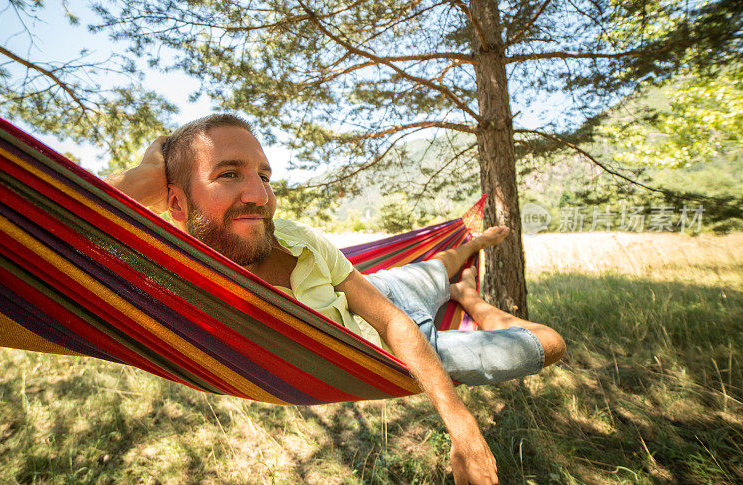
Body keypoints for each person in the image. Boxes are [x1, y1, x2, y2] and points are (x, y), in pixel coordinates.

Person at [106, 115, 566, 485]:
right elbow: (64, 237)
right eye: (229, 174)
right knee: (548, 344)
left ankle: (470, 249)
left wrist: (462, 426)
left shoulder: (298, 237)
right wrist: (151, 172)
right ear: (176, 205)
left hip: (384, 300)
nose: (260, 195)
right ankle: (472, 300)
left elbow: (390, 320)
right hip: (386, 353)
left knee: (435, 269)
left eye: (264, 176)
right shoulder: (170, 273)